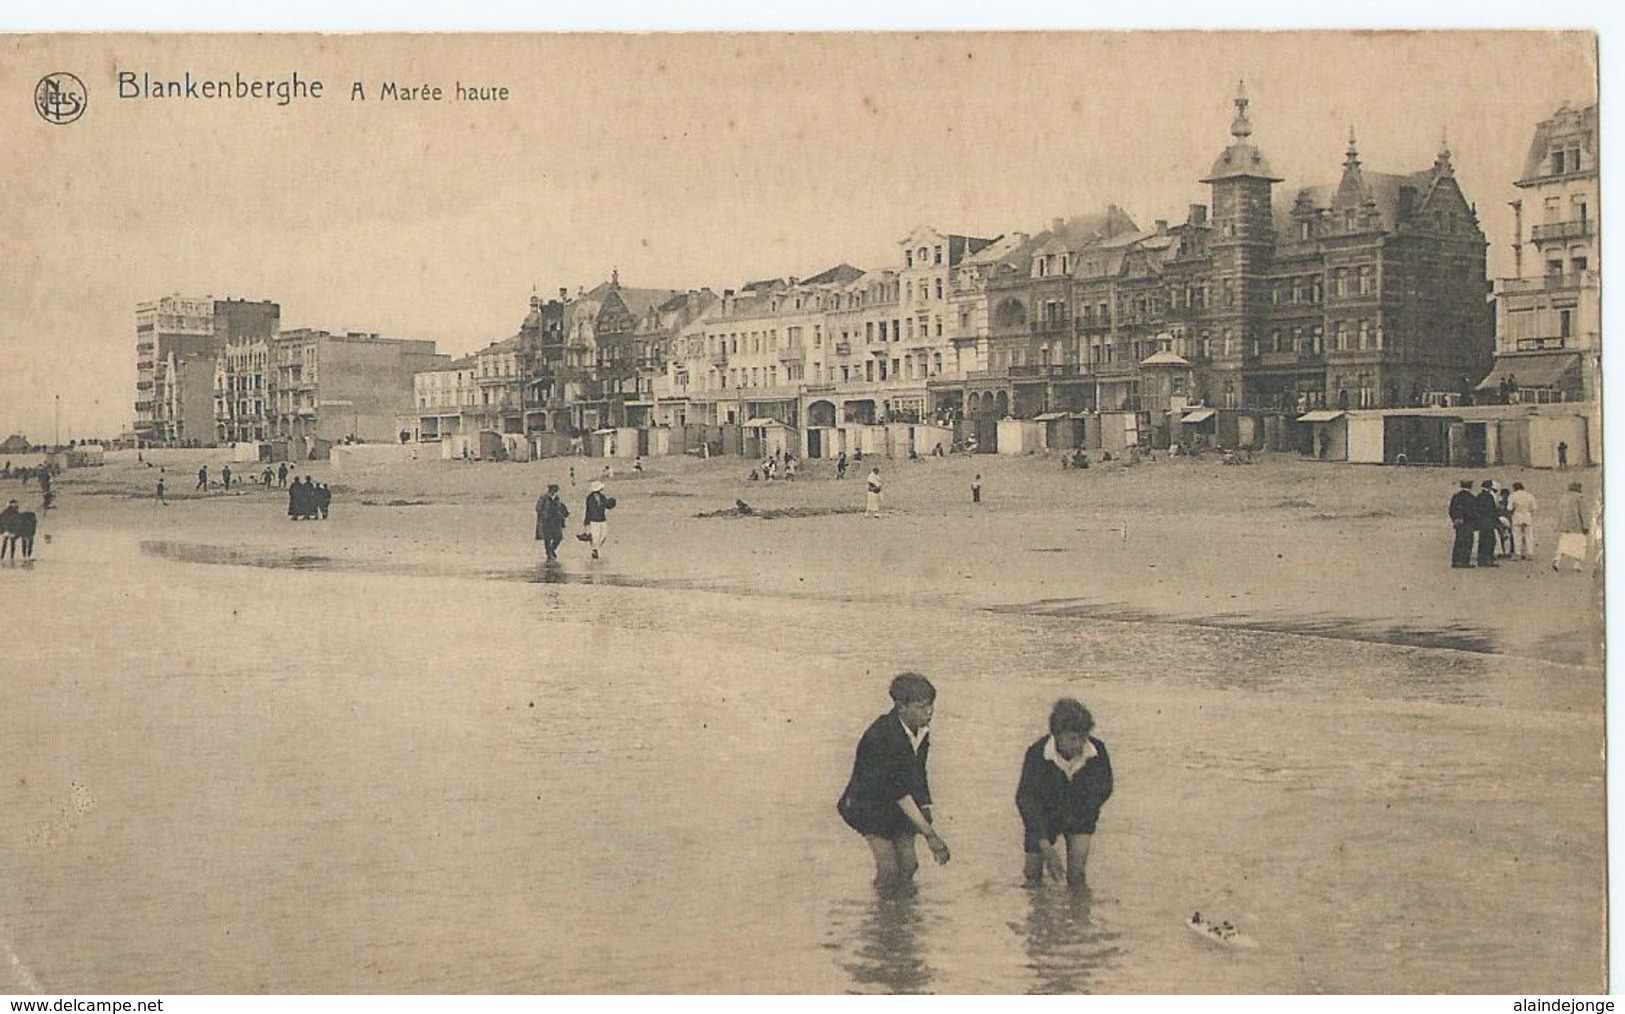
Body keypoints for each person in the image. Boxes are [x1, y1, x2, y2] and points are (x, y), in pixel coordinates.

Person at [837, 672, 950, 889]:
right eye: (922, 706)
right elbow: (898, 791)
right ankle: (883, 917)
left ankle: (901, 913)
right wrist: (930, 835)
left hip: (898, 802)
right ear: (901, 707)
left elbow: (918, 772)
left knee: (909, 865)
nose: (930, 711)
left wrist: (925, 806)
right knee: (888, 869)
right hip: (867, 806)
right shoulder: (881, 737)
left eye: (931, 705)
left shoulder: (921, 729)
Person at [1016, 698, 1113, 888]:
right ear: (1056, 736)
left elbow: (1105, 788)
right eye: (1073, 738)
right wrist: (1046, 846)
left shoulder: (1097, 752)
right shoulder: (1037, 754)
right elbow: (1025, 799)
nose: (1079, 745)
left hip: (1079, 815)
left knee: (1077, 875)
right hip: (1044, 816)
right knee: (1032, 874)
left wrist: (1084, 811)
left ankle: (1077, 914)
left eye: (1083, 737)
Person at [1553, 480, 1590, 573]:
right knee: (1579, 545)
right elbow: (1583, 513)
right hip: (1577, 526)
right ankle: (1577, 565)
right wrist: (1586, 525)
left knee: (1563, 543)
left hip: (1565, 525)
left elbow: (1559, 512)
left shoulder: (1564, 498)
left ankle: (1557, 560)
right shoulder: (1580, 498)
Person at [535, 484, 570, 560]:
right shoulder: (544, 498)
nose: (555, 492)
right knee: (547, 538)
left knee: (558, 537)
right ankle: (549, 553)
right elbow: (538, 508)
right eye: (554, 490)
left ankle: (551, 550)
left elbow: (562, 507)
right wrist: (544, 515)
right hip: (546, 521)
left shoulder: (558, 499)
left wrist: (564, 513)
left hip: (556, 520)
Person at [583, 480, 616, 560]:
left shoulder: (602, 497)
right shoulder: (590, 498)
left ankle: (596, 548)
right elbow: (589, 509)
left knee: (604, 535)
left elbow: (607, 505)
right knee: (595, 536)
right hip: (593, 520)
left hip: (602, 519)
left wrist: (612, 503)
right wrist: (587, 521)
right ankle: (594, 550)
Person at [1448, 479, 1476, 569]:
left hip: (1458, 522)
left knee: (1458, 541)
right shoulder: (1471, 497)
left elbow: (1451, 509)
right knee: (1467, 542)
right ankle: (1464, 561)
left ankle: (1456, 560)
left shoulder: (1456, 496)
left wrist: (1455, 519)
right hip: (1468, 522)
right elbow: (1473, 511)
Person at [1508, 481, 1537, 561]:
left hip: (1517, 516)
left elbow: (1509, 508)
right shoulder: (1529, 495)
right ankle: (1529, 553)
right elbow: (1533, 508)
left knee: (1517, 536)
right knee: (1529, 536)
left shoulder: (1513, 495)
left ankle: (1518, 553)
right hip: (1527, 516)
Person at [1474, 480, 1500, 567]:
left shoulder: (1479, 496)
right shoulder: (1489, 497)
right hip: (1488, 522)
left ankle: (1481, 559)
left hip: (1481, 522)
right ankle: (1488, 560)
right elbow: (1493, 510)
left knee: (1482, 541)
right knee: (1490, 541)